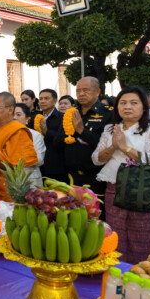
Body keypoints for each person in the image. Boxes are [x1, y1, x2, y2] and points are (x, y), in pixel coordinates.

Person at [93, 86, 150, 263]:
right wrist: (113, 146)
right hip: (114, 187)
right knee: (116, 235)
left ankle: (142, 275)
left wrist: (124, 147)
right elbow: (96, 159)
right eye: (123, 103)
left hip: (143, 189)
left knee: (144, 235)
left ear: (144, 107)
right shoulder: (110, 129)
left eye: (134, 103)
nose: (127, 107)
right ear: (117, 107)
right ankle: (117, 273)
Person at [54, 77, 113, 220]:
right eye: (78, 90)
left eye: (85, 90)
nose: (81, 94)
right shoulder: (71, 113)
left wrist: (82, 131)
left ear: (97, 91)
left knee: (95, 218)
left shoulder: (108, 113)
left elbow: (107, 146)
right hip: (71, 176)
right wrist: (69, 132)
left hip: (96, 176)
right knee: (73, 218)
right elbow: (57, 143)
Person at [37, 89, 66, 182]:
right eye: (40, 99)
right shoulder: (35, 117)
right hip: (38, 165)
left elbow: (64, 139)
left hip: (56, 165)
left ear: (55, 101)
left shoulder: (63, 118)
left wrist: (47, 132)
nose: (42, 101)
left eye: (46, 98)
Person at [14, 103, 46, 187]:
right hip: (11, 180)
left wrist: (15, 157)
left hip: (31, 179)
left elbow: (39, 160)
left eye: (18, 114)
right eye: (12, 115)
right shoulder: (5, 135)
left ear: (27, 119)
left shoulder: (35, 135)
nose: (14, 117)